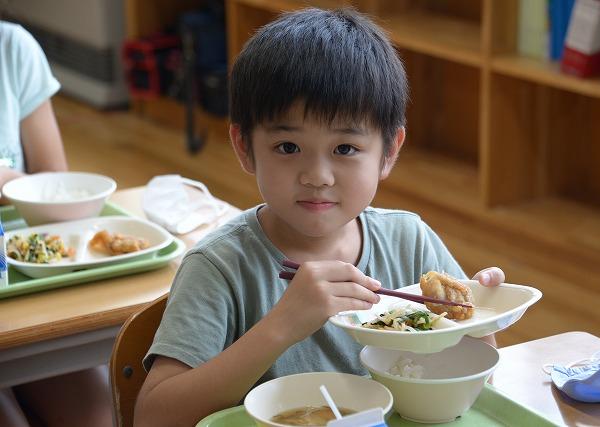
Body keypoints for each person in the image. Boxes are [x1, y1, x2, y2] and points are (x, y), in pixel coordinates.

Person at [135, 8, 505, 426]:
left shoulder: (409, 239)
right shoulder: (220, 267)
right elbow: (153, 417)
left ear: (389, 151)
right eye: (288, 147)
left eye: (345, 149)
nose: (317, 177)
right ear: (243, 146)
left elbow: (480, 377)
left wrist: (482, 311)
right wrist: (281, 327)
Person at [0, 21, 112, 427]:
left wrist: (10, 182)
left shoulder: (11, 48)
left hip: (26, 293)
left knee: (99, 416)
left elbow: (55, 184)